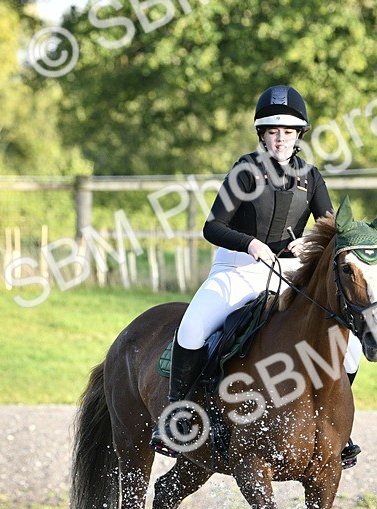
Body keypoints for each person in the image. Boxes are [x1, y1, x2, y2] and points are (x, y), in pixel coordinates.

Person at [151, 85, 364, 467]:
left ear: (299, 134)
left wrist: (308, 243)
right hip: (238, 268)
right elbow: (213, 227)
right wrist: (250, 243)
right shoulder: (245, 171)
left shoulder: (311, 177)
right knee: (193, 328)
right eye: (272, 131)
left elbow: (328, 228)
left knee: (350, 348)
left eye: (288, 131)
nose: (280, 138)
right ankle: (177, 415)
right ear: (262, 134)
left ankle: (336, 427)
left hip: (290, 273)